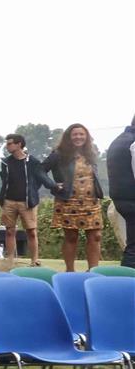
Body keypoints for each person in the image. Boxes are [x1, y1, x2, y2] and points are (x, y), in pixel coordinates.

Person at [45, 124, 105, 271]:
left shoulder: (91, 152)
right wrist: (53, 185)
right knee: (71, 236)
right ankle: (70, 271)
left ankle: (93, 271)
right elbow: (39, 170)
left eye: (81, 134)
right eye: (75, 134)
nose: (78, 137)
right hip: (68, 201)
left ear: (86, 137)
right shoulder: (59, 153)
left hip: (91, 201)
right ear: (69, 137)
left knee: (96, 236)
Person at [0, 134, 60, 265]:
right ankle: (10, 260)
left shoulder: (33, 162)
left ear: (19, 144)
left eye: (10, 143)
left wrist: (52, 185)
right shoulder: (5, 163)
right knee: (9, 230)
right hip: (9, 201)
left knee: (31, 231)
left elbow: (41, 176)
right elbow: (4, 180)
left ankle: (34, 260)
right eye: (7, 144)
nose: (7, 146)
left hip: (27, 202)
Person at [109, 116, 135, 269]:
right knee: (133, 248)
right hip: (132, 199)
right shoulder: (133, 142)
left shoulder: (119, 140)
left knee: (132, 245)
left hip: (122, 199)